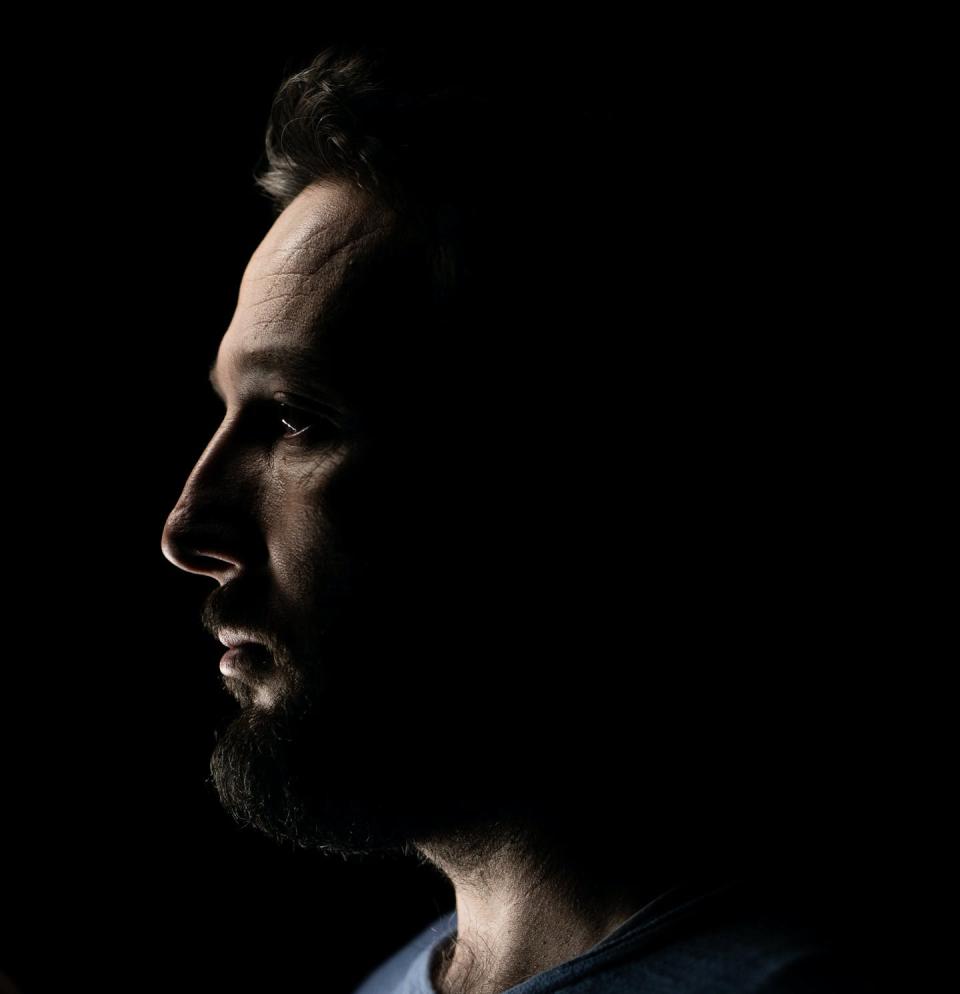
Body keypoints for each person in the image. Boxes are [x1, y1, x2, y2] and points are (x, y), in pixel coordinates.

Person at [160, 40, 886, 993]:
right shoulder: (392, 983)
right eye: (224, 412)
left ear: (567, 460)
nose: (186, 529)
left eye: (298, 419)